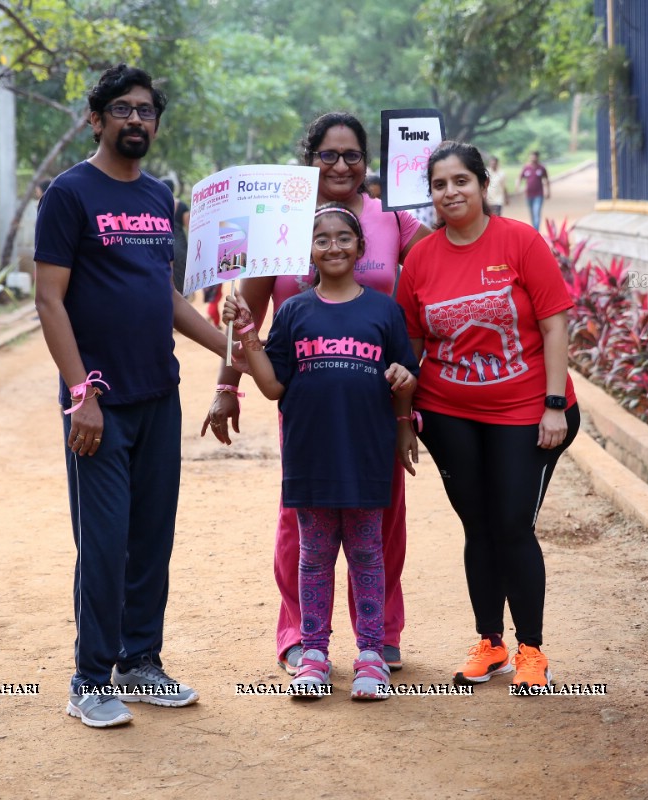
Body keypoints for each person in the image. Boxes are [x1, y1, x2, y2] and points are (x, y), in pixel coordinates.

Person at [34, 64, 228, 728]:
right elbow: (48, 299)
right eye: (122, 109)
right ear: (96, 119)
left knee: (151, 539)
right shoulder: (69, 194)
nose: (136, 119)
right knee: (106, 539)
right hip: (99, 403)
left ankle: (140, 662)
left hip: (158, 396)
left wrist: (231, 349)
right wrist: (79, 391)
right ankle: (89, 679)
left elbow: (166, 297)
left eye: (146, 110)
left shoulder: (157, 197)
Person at [203, 112, 431, 676]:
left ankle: (380, 634)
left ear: (367, 163)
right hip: (305, 401)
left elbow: (444, 260)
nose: (341, 166)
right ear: (310, 160)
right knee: (301, 523)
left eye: (353, 155)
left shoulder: (392, 220)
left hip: (376, 403)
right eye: (328, 155)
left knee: (382, 519)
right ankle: (300, 635)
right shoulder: (281, 220)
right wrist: (227, 386)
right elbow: (248, 313)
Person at [396, 141, 579, 691]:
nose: (450, 193)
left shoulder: (519, 241)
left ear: (482, 185)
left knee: (511, 526)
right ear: (429, 194)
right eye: (439, 185)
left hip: (528, 411)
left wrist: (552, 407)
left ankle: (531, 649)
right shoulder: (421, 260)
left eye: (461, 181)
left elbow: (554, 326)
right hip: (449, 411)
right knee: (478, 527)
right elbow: (409, 347)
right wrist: (405, 421)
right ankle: (490, 642)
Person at [223, 204, 419, 700]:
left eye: (343, 238)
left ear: (360, 246)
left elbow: (406, 380)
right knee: (313, 559)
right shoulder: (294, 311)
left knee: (367, 556)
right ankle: (314, 654)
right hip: (311, 455)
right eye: (321, 239)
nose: (333, 246)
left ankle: (371, 654)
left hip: (365, 455)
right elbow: (271, 386)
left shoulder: (384, 311)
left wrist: (403, 385)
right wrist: (247, 332)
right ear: (306, 250)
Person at [160, 177, 190, 291]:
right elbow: (190, 227)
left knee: (167, 286)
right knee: (181, 286)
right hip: (180, 248)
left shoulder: (156, 206)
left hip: (163, 248)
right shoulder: (182, 205)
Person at [514, 150, 550, 232]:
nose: (533, 158)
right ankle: (534, 229)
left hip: (539, 195)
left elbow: (546, 179)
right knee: (532, 214)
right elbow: (520, 177)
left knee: (536, 213)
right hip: (529, 195)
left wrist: (548, 191)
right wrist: (517, 187)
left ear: (537, 157)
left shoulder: (541, 168)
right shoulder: (526, 167)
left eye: (535, 156)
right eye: (532, 156)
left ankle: (536, 231)